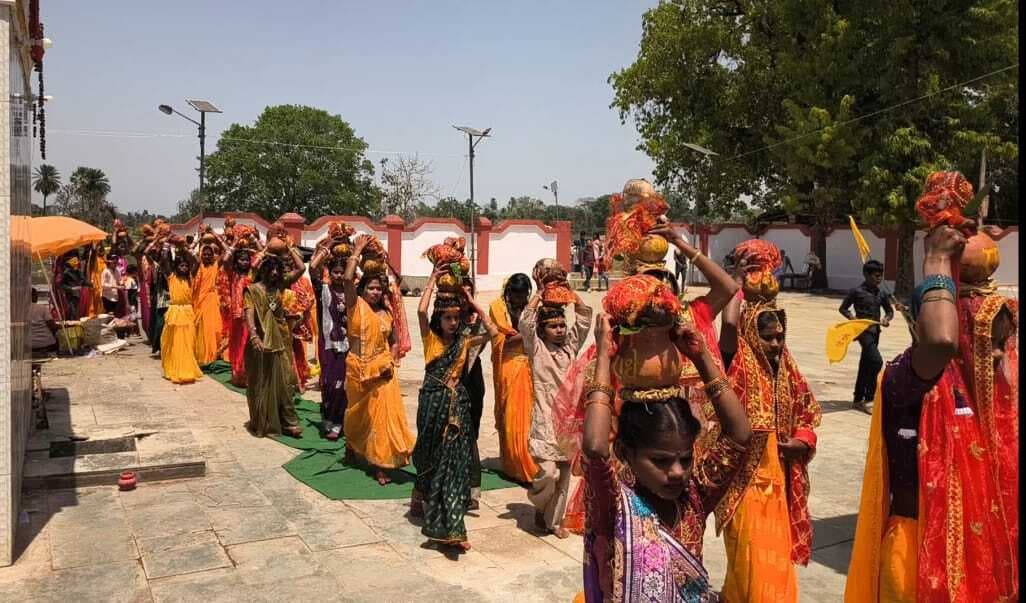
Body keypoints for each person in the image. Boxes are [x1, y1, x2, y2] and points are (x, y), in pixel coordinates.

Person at [845, 222, 1018, 602]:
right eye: (986, 337)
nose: (1000, 355)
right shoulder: (905, 380)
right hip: (916, 558)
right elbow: (939, 343)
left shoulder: (1001, 402)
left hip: (980, 564)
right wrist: (937, 261)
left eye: (1005, 341)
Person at [579, 312, 752, 601]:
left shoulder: (695, 496)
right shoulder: (614, 504)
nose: (676, 472)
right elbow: (596, 448)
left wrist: (701, 357)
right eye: (660, 461)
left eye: (685, 459)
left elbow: (740, 435)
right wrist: (604, 360)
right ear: (625, 454)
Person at [716, 245, 821, 602]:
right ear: (749, 335)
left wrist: (804, 441)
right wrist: (739, 280)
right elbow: (729, 322)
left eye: (779, 337)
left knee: (775, 566)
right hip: (744, 485)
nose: (776, 344)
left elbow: (808, 413)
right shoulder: (735, 363)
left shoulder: (787, 370)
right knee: (749, 566)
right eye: (768, 337)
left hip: (780, 486)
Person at [411, 268, 498, 551]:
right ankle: (419, 492)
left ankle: (452, 528)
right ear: (439, 319)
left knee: (453, 463)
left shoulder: (465, 341)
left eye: (456, 318)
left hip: (456, 406)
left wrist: (471, 301)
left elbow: (493, 331)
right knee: (428, 455)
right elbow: (421, 312)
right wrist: (432, 279)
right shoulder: (431, 340)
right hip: (431, 403)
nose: (452, 322)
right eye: (447, 318)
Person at [342, 235, 415, 485]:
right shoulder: (355, 305)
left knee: (380, 418)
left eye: (378, 289)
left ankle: (379, 463)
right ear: (362, 289)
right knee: (357, 415)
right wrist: (356, 251)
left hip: (382, 369)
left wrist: (392, 361)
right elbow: (345, 279)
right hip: (357, 368)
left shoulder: (386, 312)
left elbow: (394, 341)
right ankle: (351, 443)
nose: (374, 292)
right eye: (370, 288)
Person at [522, 287, 593, 538]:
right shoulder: (537, 349)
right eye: (554, 327)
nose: (560, 330)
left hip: (568, 421)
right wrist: (540, 294)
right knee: (549, 473)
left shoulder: (570, 348)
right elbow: (525, 324)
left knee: (564, 477)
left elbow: (584, 319)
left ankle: (551, 521)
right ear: (543, 331)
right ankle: (539, 502)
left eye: (562, 325)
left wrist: (569, 293)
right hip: (544, 421)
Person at [244, 246, 306, 438]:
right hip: (260, 340)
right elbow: (249, 312)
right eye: (270, 270)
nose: (274, 273)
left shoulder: (280, 286)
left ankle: (289, 422)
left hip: (281, 338)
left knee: (285, 380)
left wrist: (287, 247)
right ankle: (267, 422)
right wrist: (253, 335)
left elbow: (301, 268)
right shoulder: (252, 290)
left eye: (277, 270)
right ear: (262, 270)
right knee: (263, 380)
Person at [488, 273, 539, 484]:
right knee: (511, 417)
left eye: (523, 294)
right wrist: (527, 333)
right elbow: (501, 342)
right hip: (509, 368)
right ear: (509, 292)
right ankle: (513, 464)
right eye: (516, 293)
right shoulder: (497, 309)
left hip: (531, 366)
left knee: (529, 418)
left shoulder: (532, 308)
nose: (519, 298)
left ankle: (527, 462)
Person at [839, 260, 894, 414]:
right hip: (862, 332)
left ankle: (857, 399)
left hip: (876, 331)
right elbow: (843, 308)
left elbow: (889, 311)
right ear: (866, 275)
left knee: (865, 364)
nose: (879, 279)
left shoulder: (881, 294)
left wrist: (886, 319)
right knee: (876, 362)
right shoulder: (856, 292)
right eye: (876, 275)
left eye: (881, 276)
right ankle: (869, 398)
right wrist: (852, 318)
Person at [308, 246, 349, 441]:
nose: (340, 276)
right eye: (336, 272)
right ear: (330, 272)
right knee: (329, 383)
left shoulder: (353, 293)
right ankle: (329, 418)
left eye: (343, 272)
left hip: (349, 344)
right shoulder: (323, 290)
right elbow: (311, 268)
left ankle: (340, 422)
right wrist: (326, 248)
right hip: (329, 344)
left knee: (344, 386)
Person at [459, 278, 488, 508]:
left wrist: (473, 303)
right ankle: (464, 487)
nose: (466, 296)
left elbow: (493, 330)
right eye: (462, 291)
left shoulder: (478, 320)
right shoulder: (446, 316)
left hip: (473, 377)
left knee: (472, 434)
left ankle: (471, 488)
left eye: (470, 291)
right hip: (453, 378)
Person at [159, 246, 203, 385]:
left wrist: (187, 247)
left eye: (186, 265)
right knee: (175, 342)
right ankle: (175, 370)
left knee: (188, 342)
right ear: (176, 267)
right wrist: (166, 244)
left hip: (188, 312)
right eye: (181, 265)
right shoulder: (171, 277)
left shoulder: (190, 277)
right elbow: (164, 260)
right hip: (175, 312)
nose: (184, 268)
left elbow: (197, 261)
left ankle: (187, 369)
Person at [217, 240, 256, 387]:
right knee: (237, 345)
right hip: (236, 315)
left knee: (248, 345)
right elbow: (226, 259)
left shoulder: (253, 274)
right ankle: (238, 374)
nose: (245, 262)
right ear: (236, 261)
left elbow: (261, 254)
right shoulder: (232, 274)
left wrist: (250, 247)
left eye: (247, 260)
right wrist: (234, 245)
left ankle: (248, 375)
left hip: (250, 314)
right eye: (241, 259)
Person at [192, 240, 224, 366]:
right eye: (204, 254)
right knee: (202, 328)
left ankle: (214, 353)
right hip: (200, 301)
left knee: (214, 327)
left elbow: (225, 253)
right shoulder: (197, 267)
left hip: (212, 300)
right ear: (201, 255)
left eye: (209, 254)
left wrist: (217, 238)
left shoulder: (215, 266)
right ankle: (203, 354)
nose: (207, 256)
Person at [30, 288, 59, 357]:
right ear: (33, 296)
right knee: (57, 338)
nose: (37, 297)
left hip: (27, 345)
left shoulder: (19, 310)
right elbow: (53, 326)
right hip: (46, 344)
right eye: (36, 295)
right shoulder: (42, 308)